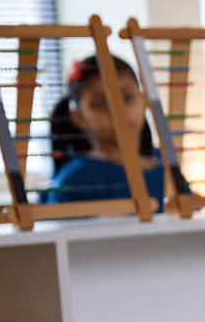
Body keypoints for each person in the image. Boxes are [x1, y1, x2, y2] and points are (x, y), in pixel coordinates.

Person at [45, 54, 188, 208]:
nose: (116, 111)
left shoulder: (166, 168)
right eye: (101, 104)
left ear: (144, 100)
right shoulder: (75, 181)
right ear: (78, 117)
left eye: (126, 98)